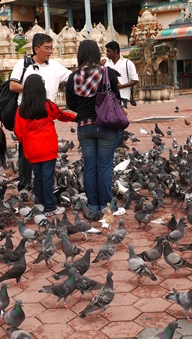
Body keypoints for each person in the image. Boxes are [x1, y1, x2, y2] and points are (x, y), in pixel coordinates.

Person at [9, 33, 72, 192]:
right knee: (25, 150)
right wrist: (33, 90)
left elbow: (72, 78)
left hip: (46, 111)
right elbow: (13, 85)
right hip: (27, 111)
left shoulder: (55, 66)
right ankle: (25, 183)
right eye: (46, 48)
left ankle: (43, 183)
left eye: (51, 47)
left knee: (45, 149)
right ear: (36, 49)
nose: (50, 51)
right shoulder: (24, 64)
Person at [65, 39, 122, 214]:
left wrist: (84, 108)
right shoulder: (107, 73)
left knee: (90, 166)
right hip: (105, 125)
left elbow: (71, 104)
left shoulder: (73, 77)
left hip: (84, 126)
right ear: (97, 53)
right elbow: (117, 100)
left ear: (80, 54)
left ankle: (93, 205)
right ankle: (106, 204)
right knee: (104, 166)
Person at [15, 75, 76, 217]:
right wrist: (76, 117)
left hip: (32, 149)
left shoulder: (21, 110)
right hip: (48, 148)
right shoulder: (48, 105)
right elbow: (62, 115)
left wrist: (28, 143)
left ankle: (40, 203)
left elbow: (19, 132)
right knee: (47, 177)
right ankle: (49, 206)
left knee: (37, 176)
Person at [103, 41, 138, 148]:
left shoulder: (128, 63)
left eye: (109, 51)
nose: (107, 53)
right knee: (109, 122)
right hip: (108, 97)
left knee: (120, 122)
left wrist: (121, 86)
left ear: (115, 51)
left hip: (122, 96)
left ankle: (118, 146)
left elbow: (135, 79)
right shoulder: (106, 64)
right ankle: (111, 145)